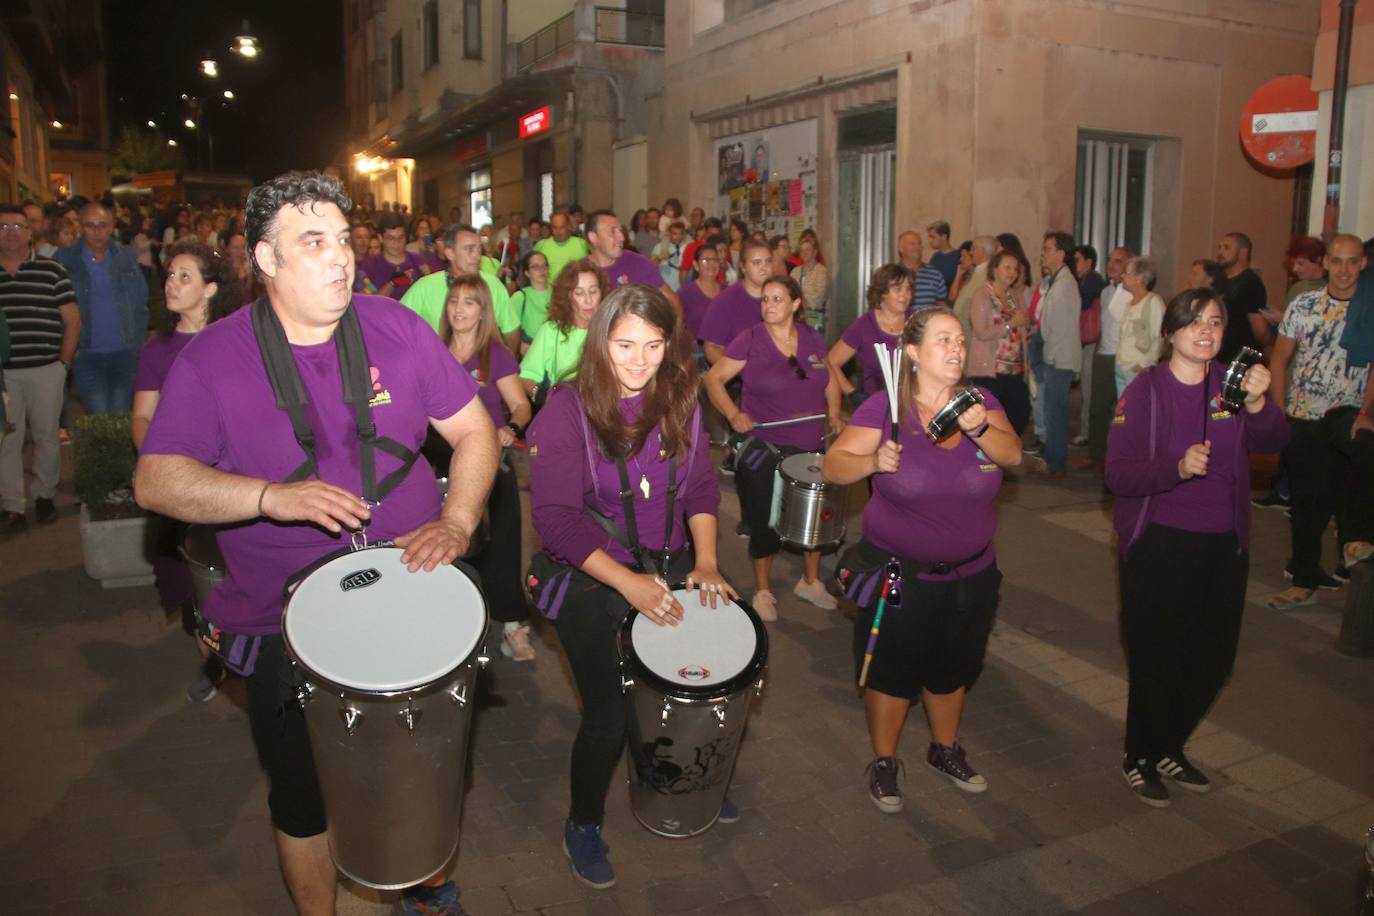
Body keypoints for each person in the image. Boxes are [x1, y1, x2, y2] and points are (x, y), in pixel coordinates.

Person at [134, 171, 499, 916]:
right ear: (265, 259)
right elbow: (156, 481)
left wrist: (458, 520)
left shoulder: (396, 326)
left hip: (410, 587)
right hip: (282, 618)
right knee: (303, 793)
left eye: (342, 239)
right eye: (313, 242)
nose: (341, 258)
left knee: (422, 766)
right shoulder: (214, 357)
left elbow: (474, 432)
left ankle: (420, 876)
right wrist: (272, 497)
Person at [527, 283, 735, 889]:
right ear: (600, 341)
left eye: (652, 344)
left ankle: (674, 781)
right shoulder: (566, 408)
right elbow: (556, 520)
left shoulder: (680, 397)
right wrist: (631, 585)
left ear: (669, 344)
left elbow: (698, 488)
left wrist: (708, 561)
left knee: (681, 690)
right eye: (624, 345)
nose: (639, 360)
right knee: (610, 714)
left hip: (669, 562)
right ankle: (584, 822)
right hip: (593, 571)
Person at [824, 306, 1021, 811]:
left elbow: (1013, 456)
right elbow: (834, 465)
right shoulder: (886, 408)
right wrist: (871, 461)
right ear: (912, 352)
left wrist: (979, 429)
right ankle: (885, 760)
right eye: (943, 340)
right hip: (902, 577)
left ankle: (944, 748)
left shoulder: (982, 403)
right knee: (891, 672)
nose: (956, 348)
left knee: (952, 668)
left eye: (960, 339)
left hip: (972, 574)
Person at [1105, 288, 1287, 807]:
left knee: (1212, 659)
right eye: (1193, 322)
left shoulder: (1231, 382)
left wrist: (1257, 401)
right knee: (1156, 655)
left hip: (1223, 543)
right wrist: (1176, 469)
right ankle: (1139, 754)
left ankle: (1168, 744)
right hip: (1159, 541)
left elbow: (1274, 440)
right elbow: (1118, 474)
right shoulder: (1146, 392)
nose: (1205, 331)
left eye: (1214, 322)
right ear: (1170, 332)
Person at [130, 239, 240, 702]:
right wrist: (160, 460)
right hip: (186, 483)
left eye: (184, 276)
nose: (171, 285)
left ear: (211, 288)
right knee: (199, 579)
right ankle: (213, 662)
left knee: (245, 568)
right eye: (169, 275)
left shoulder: (239, 337)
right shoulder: (158, 349)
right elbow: (141, 417)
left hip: (236, 476)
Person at [704, 275, 842, 620]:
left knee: (814, 519)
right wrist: (734, 413)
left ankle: (810, 581)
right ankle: (763, 590)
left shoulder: (811, 338)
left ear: (796, 304)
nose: (769, 305)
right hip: (766, 447)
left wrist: (836, 413)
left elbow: (830, 381)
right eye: (765, 299)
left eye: (778, 299)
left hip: (811, 445)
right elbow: (713, 379)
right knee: (765, 521)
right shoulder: (750, 339)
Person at [1265, 235, 1372, 609]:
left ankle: (1356, 544)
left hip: (1348, 415)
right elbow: (1278, 358)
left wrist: (1368, 414)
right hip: (1303, 415)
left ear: (1362, 264)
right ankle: (1306, 577)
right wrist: (1279, 410)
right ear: (1326, 262)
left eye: (1352, 261)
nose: (1344, 269)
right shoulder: (1304, 304)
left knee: (1358, 476)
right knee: (1308, 505)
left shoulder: (1369, 306)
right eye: (1337, 261)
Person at [438, 273, 536, 660]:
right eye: (453, 301)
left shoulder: (496, 354)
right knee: (445, 546)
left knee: (503, 543)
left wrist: (509, 429)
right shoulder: (433, 350)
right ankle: (451, 625)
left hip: (488, 461)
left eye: (469, 302)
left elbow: (521, 406)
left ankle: (513, 624)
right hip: (440, 460)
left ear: (483, 311)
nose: (459, 310)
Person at [0, 203, 79, 535]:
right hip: (4, 374)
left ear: (31, 232)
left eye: (18, 227)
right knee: (8, 439)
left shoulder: (51, 270)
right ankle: (13, 506)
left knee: (47, 436)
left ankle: (44, 494)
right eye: (3, 227)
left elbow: (72, 320)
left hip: (46, 368)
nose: (11, 234)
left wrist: (63, 364)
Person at [55, 201, 150, 415]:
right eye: (90, 225)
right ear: (80, 226)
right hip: (87, 353)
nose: (97, 232)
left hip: (124, 352)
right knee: (99, 417)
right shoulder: (65, 260)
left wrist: (136, 343)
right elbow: (57, 309)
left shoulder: (125, 257)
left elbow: (140, 304)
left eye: (103, 225)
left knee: (120, 415)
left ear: (112, 226)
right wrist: (69, 347)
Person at [400, 223, 521, 354]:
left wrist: (507, 363)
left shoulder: (493, 286)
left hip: (483, 367)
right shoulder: (425, 287)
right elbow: (397, 323)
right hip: (438, 367)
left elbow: (511, 331)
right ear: (450, 253)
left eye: (479, 249)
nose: (477, 256)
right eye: (469, 249)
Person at [1030, 232, 1082, 475]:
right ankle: (1054, 459)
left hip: (1058, 359)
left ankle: (1055, 461)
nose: (1044, 254)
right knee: (1053, 410)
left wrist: (1046, 359)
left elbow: (1057, 329)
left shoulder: (1064, 285)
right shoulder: (1057, 282)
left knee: (1055, 413)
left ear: (1061, 253)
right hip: (1055, 356)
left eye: (1048, 249)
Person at [520, 258, 609, 399]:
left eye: (593, 291)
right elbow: (525, 377)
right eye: (579, 293)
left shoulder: (612, 330)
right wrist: (545, 397)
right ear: (567, 297)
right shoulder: (551, 331)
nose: (588, 300)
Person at [827, 263, 911, 405]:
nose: (905, 294)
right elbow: (831, 362)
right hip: (876, 405)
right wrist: (852, 394)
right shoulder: (864, 326)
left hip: (911, 404)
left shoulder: (918, 321)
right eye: (898, 288)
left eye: (908, 289)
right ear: (882, 292)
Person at [967, 251, 1032, 434]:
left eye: (1015, 269)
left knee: (1019, 415)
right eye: (1007, 268)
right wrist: (1010, 325)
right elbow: (981, 332)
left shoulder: (1015, 296)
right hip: (991, 370)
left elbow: (1022, 326)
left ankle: (1008, 456)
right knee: (991, 420)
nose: (1012, 273)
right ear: (995, 270)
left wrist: (1027, 326)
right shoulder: (982, 296)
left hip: (1015, 369)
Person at [699, 237, 771, 365]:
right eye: (756, 262)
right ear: (743, 267)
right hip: (739, 378)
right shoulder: (725, 301)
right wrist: (740, 370)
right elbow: (711, 347)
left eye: (768, 261)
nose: (764, 268)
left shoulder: (780, 297)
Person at [1113, 256, 1167, 399]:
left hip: (1138, 370)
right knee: (1123, 415)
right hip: (1122, 367)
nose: (1123, 276)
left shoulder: (1153, 302)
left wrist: (1143, 366)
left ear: (1140, 278)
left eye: (1127, 273)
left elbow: (1160, 337)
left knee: (1137, 413)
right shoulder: (1129, 304)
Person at [356, 211, 440, 299]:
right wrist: (393, 283)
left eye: (401, 237)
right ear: (381, 238)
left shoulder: (419, 262)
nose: (396, 243)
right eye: (391, 238)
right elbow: (369, 303)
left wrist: (430, 278)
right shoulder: (369, 265)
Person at [1071, 245, 1107, 448]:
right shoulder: (1086, 280)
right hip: (1087, 343)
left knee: (1089, 388)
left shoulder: (1092, 280)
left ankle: (1087, 434)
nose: (1074, 264)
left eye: (1077, 259)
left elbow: (1081, 303)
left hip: (1092, 343)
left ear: (1088, 261)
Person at [1215, 231, 1270, 361]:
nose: (1220, 252)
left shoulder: (1250, 283)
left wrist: (1269, 348)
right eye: (1220, 247)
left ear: (1243, 252)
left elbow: (1260, 329)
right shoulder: (1221, 282)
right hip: (1220, 358)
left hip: (1240, 360)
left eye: (1227, 247)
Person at [678, 239, 722, 350]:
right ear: (696, 265)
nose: (711, 264)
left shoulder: (728, 292)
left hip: (725, 355)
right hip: (696, 356)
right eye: (706, 260)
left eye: (715, 260)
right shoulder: (685, 293)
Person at [952, 236, 999, 332]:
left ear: (983, 250)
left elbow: (997, 305)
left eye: (973, 248)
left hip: (977, 333)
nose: (970, 252)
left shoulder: (990, 274)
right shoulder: (977, 271)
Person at [535, 210, 591, 285]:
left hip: (575, 290)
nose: (558, 231)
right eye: (555, 227)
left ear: (568, 226)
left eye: (562, 227)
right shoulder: (541, 245)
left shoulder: (582, 244)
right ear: (551, 228)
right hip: (549, 292)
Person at [897, 230, 948, 312]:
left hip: (928, 324)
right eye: (912, 244)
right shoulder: (892, 274)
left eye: (919, 243)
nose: (918, 247)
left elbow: (942, 304)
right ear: (901, 248)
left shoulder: (935, 274)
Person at [790, 235, 830, 332]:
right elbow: (789, 292)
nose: (804, 253)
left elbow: (817, 299)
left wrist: (797, 298)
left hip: (814, 318)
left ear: (815, 252)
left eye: (808, 250)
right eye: (802, 250)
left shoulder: (821, 271)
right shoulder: (795, 271)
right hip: (796, 317)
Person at [512, 250, 552, 344]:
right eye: (535, 267)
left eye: (544, 265)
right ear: (527, 273)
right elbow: (510, 329)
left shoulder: (558, 293)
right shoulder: (520, 297)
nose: (541, 270)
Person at [651, 220, 686, 292]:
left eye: (681, 233)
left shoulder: (686, 247)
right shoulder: (660, 247)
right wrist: (659, 258)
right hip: (665, 289)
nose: (678, 237)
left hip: (682, 289)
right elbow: (651, 265)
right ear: (669, 234)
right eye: (675, 234)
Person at [925, 220, 961, 288]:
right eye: (929, 237)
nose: (930, 241)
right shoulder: (935, 257)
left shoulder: (958, 256)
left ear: (944, 237)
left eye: (933, 237)